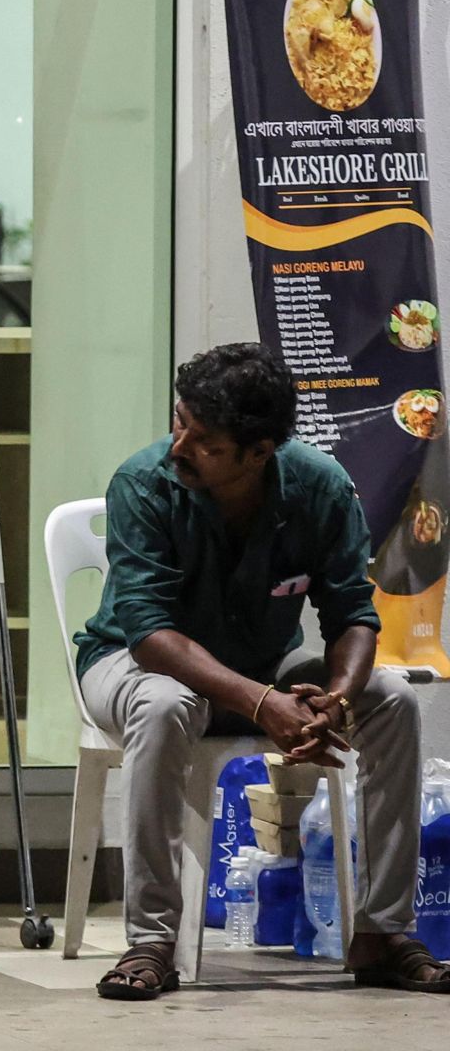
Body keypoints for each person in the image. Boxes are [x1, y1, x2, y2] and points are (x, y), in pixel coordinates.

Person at [77, 342, 446, 1000]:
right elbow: (150, 635)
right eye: (179, 420)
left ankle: (383, 933)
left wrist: (334, 697)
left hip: (257, 670)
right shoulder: (146, 483)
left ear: (259, 451)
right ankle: (151, 941)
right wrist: (262, 703)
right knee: (164, 706)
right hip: (129, 665)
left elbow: (354, 616)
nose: (179, 446)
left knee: (389, 697)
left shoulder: (320, 486)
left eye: (204, 439)